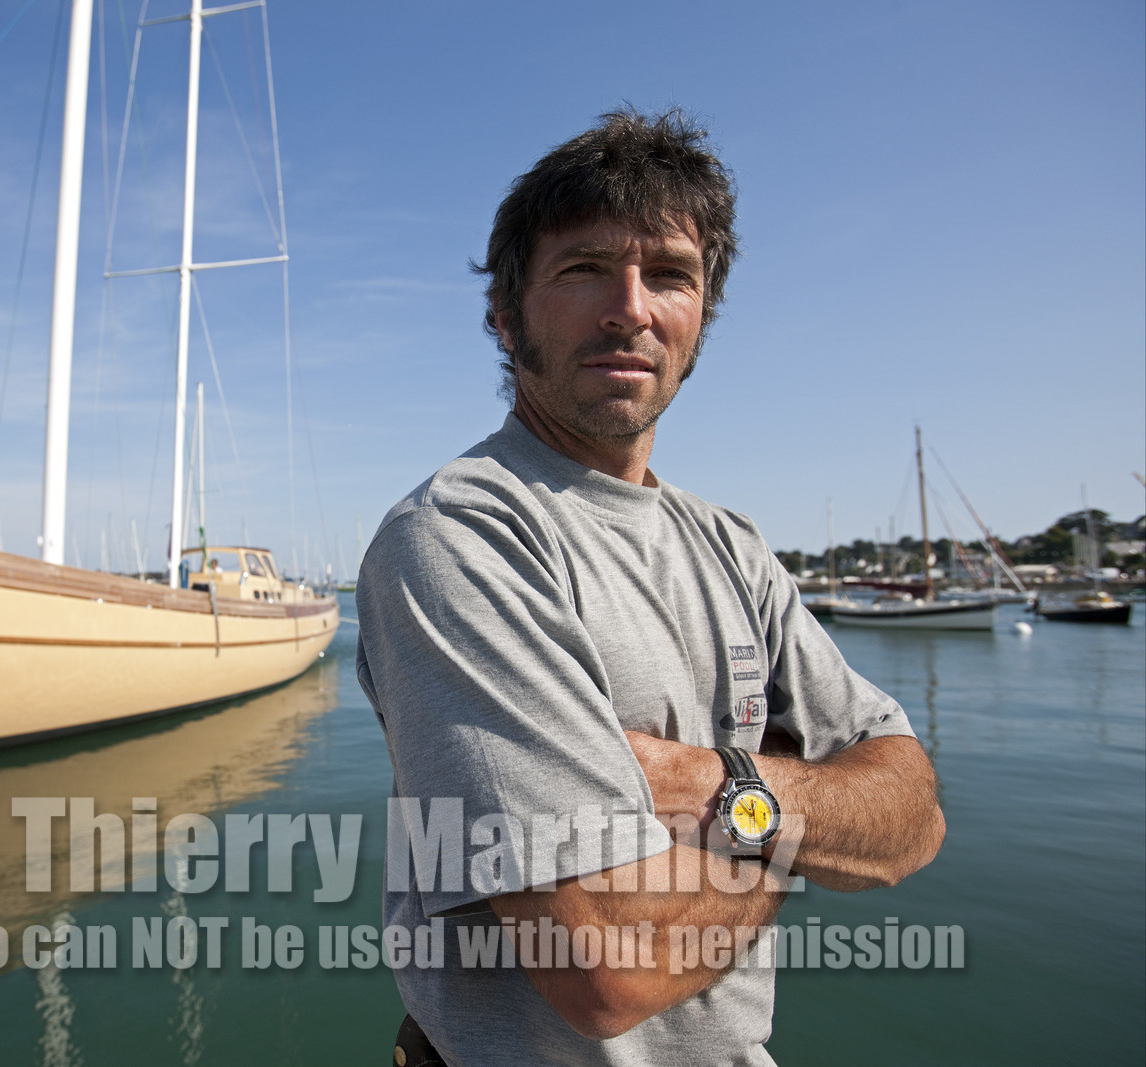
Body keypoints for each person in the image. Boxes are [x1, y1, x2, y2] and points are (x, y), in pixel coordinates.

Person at [355, 109, 945, 1066]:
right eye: (584, 269)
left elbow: (914, 814)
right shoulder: (463, 537)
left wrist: (713, 783)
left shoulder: (732, 547)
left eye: (669, 274)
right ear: (505, 314)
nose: (630, 307)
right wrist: (795, 812)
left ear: (701, 316)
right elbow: (606, 968)